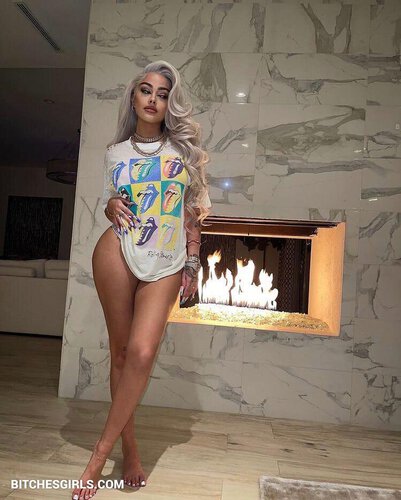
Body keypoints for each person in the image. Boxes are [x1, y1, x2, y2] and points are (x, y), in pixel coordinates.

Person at [72, 61, 211, 500]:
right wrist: (110, 205)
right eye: (146, 90)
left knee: (142, 351)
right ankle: (128, 450)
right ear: (133, 98)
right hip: (117, 251)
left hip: (166, 258)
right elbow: (115, 202)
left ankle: (99, 453)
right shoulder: (115, 152)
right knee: (119, 354)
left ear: (170, 104)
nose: (153, 99)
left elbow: (192, 214)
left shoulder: (184, 152)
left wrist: (192, 263)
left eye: (163, 94)